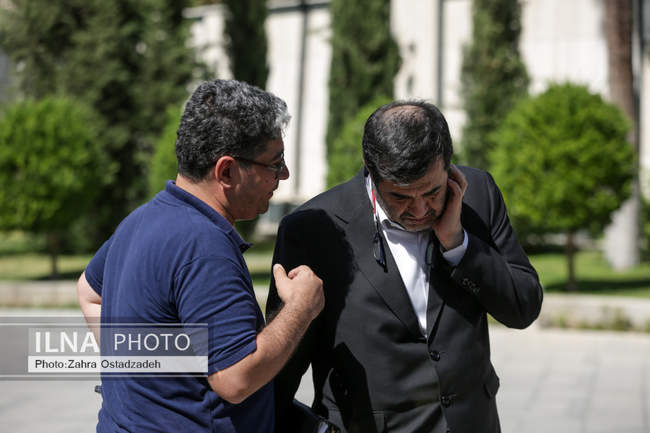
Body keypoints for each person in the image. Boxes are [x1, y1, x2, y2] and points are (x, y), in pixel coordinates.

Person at [266, 100, 543, 433]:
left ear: (449, 166)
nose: (420, 210)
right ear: (370, 169)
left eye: (433, 192)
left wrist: (459, 244)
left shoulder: (479, 194)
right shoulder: (311, 229)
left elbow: (523, 307)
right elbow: (281, 370)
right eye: (400, 197)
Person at [77, 79, 324, 433]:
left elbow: (89, 292)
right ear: (227, 171)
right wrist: (301, 307)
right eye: (274, 163)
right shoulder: (203, 245)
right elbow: (235, 378)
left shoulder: (142, 219)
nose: (283, 175)